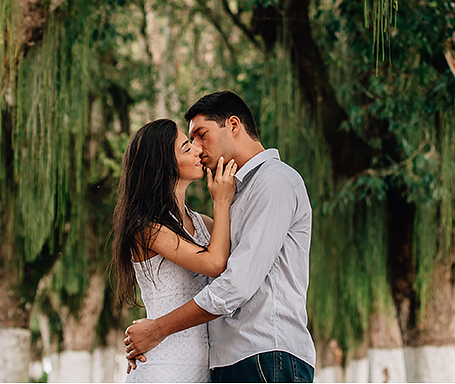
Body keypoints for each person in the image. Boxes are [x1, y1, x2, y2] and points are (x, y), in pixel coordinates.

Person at [125, 91, 316, 383]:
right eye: (189, 143)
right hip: (223, 361)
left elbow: (235, 283)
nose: (198, 149)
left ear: (233, 125)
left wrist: (158, 329)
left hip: (265, 353)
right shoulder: (233, 196)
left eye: (201, 136)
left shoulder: (273, 182)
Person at [113, 118, 238, 383]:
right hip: (163, 367)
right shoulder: (146, 228)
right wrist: (222, 201)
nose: (197, 150)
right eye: (186, 148)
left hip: (203, 369)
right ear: (164, 165)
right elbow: (215, 263)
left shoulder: (203, 224)